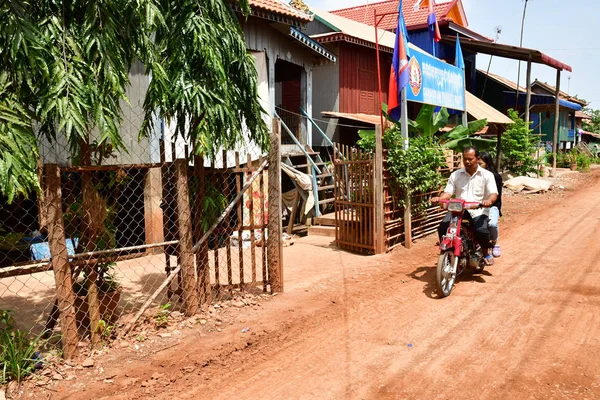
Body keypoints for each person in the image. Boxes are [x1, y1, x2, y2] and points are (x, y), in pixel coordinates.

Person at [432, 146, 498, 265]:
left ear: (477, 159)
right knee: (443, 227)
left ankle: (485, 251)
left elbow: (493, 193)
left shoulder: (487, 175)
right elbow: (448, 192)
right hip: (458, 209)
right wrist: (440, 198)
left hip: (478, 210)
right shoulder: (455, 175)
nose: (467, 161)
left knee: (481, 231)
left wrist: (488, 201)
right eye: (465, 159)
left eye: (470, 159)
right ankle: (447, 249)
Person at [478, 151, 502, 258]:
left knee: (491, 224)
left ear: (487, 163)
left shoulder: (495, 177)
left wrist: (489, 202)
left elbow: (497, 195)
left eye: (481, 164)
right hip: (476, 205)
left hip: (492, 206)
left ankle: (494, 243)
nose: (478, 166)